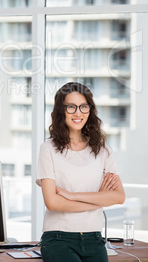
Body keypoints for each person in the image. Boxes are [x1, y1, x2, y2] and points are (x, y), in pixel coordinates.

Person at [37, 81, 125, 262]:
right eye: (71, 107)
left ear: (90, 110)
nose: (78, 113)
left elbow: (118, 197)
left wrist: (72, 195)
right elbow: (52, 203)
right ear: (62, 111)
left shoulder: (103, 150)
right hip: (58, 238)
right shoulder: (48, 149)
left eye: (83, 106)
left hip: (94, 239)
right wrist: (98, 199)